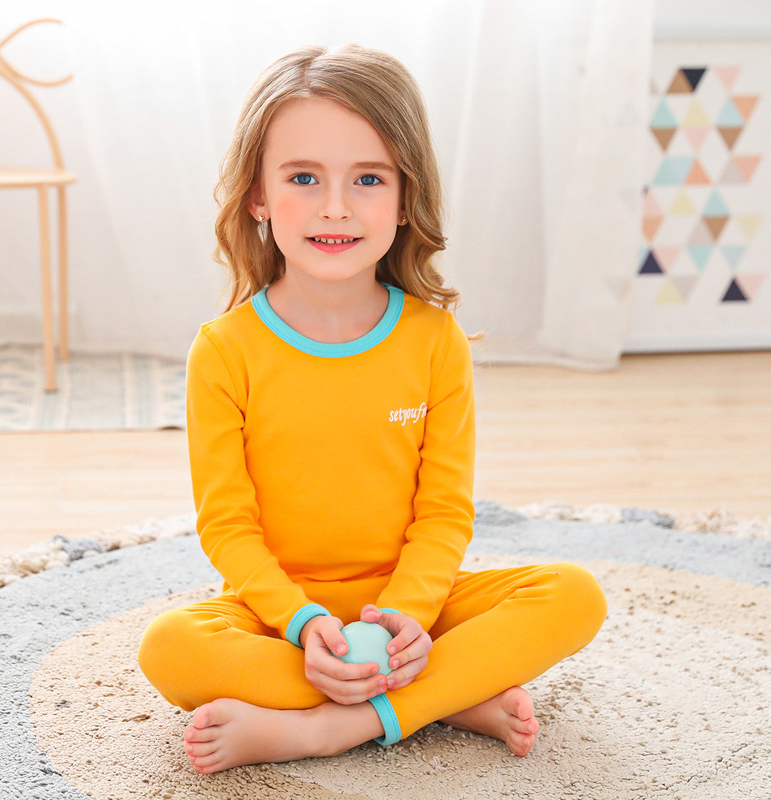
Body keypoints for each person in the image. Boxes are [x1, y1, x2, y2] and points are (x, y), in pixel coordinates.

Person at [138, 44, 607, 775]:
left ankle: (330, 726)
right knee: (170, 648)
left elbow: (444, 513)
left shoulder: (435, 340)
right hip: (281, 617)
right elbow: (227, 526)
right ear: (258, 196)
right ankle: (446, 696)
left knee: (573, 596)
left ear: (404, 195)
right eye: (303, 178)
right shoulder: (224, 351)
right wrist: (302, 623)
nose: (336, 207)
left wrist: (408, 617)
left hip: (409, 608)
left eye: (368, 178)